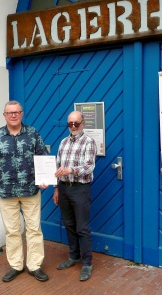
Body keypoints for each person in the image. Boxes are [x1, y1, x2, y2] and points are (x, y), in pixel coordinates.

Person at [0, 100, 49, 283]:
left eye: (17, 112)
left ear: (22, 114)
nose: (13, 115)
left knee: (34, 229)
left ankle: (35, 265)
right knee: (12, 231)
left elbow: (43, 157)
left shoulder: (32, 133)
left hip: (31, 190)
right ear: (4, 115)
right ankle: (16, 265)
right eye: (10, 112)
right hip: (6, 191)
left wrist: (45, 179)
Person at [53, 111, 97, 281]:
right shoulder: (63, 142)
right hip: (64, 188)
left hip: (80, 189)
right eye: (70, 124)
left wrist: (71, 170)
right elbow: (57, 166)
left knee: (82, 228)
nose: (73, 127)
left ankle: (87, 263)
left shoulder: (89, 142)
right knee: (69, 224)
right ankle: (74, 256)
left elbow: (89, 166)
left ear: (83, 123)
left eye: (76, 123)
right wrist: (57, 189)